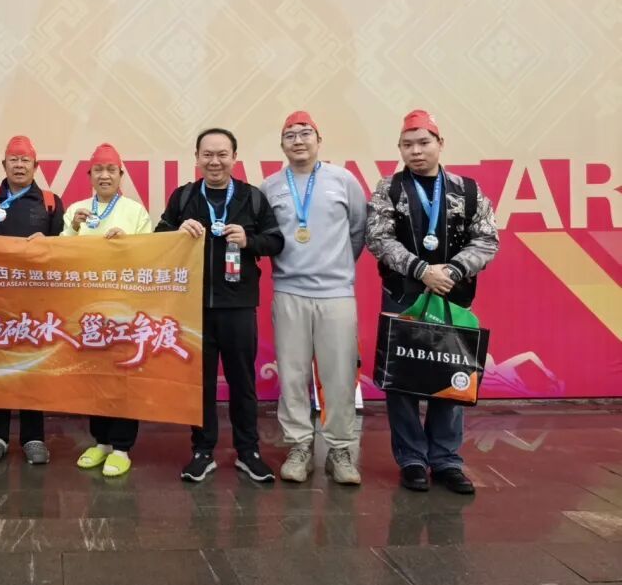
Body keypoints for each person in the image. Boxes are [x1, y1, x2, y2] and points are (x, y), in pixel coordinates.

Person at [366, 109, 499, 495]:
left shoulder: (467, 190)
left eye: (424, 143)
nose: (416, 151)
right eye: (407, 145)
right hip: (403, 296)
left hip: (453, 298)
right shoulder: (389, 189)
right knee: (401, 380)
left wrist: (452, 271)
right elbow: (378, 238)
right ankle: (411, 460)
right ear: (399, 149)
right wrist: (422, 270)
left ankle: (445, 461)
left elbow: (487, 240)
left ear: (440, 144)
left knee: (452, 374)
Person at [156, 128, 284, 483]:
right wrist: (177, 232)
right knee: (201, 384)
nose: (215, 161)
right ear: (197, 158)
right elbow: (158, 238)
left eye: (222, 154)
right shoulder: (184, 197)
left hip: (239, 306)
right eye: (208, 154)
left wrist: (249, 240)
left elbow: (276, 241)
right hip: (193, 307)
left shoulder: (251, 197)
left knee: (243, 382)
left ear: (234, 158)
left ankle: (248, 452)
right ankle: (202, 450)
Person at [262, 111, 366, 486]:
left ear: (319, 140)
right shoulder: (269, 187)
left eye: (305, 133)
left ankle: (340, 450)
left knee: (339, 375)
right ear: (282, 145)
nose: (298, 140)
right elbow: (267, 235)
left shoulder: (343, 180)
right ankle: (299, 446)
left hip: (336, 294)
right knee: (293, 375)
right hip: (289, 291)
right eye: (290, 135)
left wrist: (337, 267)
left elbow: (358, 230)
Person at [0, 135, 65, 465]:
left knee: (33, 369)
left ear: (36, 166)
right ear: (3, 165)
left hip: (35, 301)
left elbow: (64, 250)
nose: (19, 165)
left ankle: (34, 438)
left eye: (25, 160)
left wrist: (47, 244)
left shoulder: (50, 202)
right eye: (13, 160)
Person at [61, 142, 154, 477]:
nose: (104, 175)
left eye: (110, 170)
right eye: (98, 170)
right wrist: (73, 228)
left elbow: (151, 254)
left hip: (124, 308)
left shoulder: (135, 212)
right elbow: (60, 255)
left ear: (120, 175)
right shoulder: (76, 210)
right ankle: (100, 442)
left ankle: (122, 447)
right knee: (95, 377)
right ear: (89, 175)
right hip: (86, 308)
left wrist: (127, 243)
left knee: (123, 377)